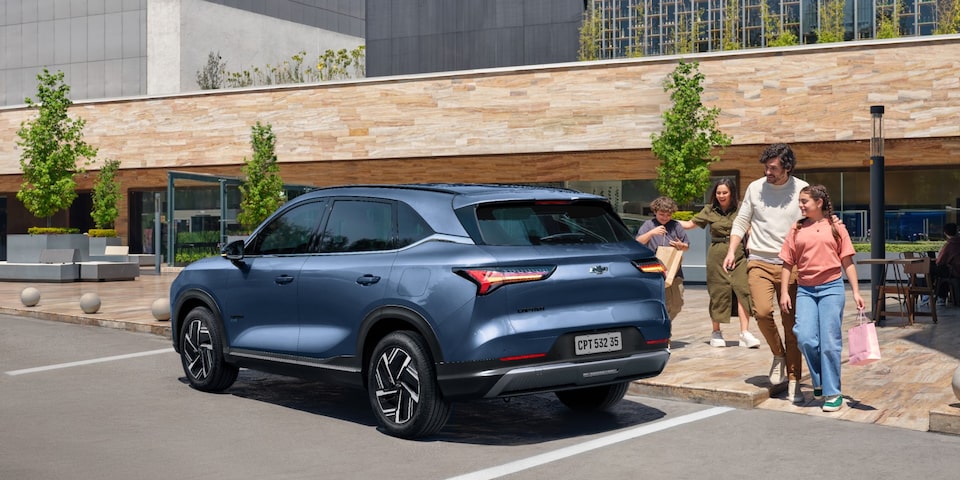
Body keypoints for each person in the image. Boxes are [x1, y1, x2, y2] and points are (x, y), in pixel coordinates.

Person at [722, 143, 808, 403]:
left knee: (791, 325)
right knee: (760, 312)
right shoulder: (755, 188)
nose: (767, 172)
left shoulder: (802, 189)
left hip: (790, 266)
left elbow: (815, 217)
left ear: (787, 168)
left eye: (773, 168)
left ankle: (794, 379)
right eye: (766, 167)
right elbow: (741, 220)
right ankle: (778, 353)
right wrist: (731, 250)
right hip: (759, 259)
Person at [778, 185, 864, 412]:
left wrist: (856, 291)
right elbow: (788, 262)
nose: (801, 205)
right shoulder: (796, 229)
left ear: (819, 203)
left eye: (805, 201)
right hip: (806, 290)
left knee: (829, 343)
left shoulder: (836, 227)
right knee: (804, 337)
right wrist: (785, 291)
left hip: (832, 288)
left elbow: (847, 261)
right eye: (800, 201)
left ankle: (833, 393)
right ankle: (819, 382)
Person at [679, 179, 760, 348]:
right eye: (718, 192)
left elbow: (751, 229)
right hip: (716, 253)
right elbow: (689, 224)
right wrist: (668, 220)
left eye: (725, 192)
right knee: (718, 291)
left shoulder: (741, 209)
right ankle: (716, 331)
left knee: (742, 290)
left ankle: (745, 333)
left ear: (732, 193)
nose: (721, 196)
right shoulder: (709, 210)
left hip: (739, 253)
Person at [637, 196, 690, 320]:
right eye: (662, 214)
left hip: (674, 271)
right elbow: (638, 242)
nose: (665, 217)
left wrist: (680, 245)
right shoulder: (648, 225)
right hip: (654, 271)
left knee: (677, 304)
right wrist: (652, 233)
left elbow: (686, 246)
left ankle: (666, 324)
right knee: (661, 304)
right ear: (655, 212)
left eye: (668, 215)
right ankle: (665, 333)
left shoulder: (676, 225)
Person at [936, 223, 960, 306]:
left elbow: (939, 261)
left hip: (954, 272)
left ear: (945, 233)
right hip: (956, 270)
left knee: (937, 272)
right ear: (957, 231)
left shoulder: (949, 245)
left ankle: (940, 297)